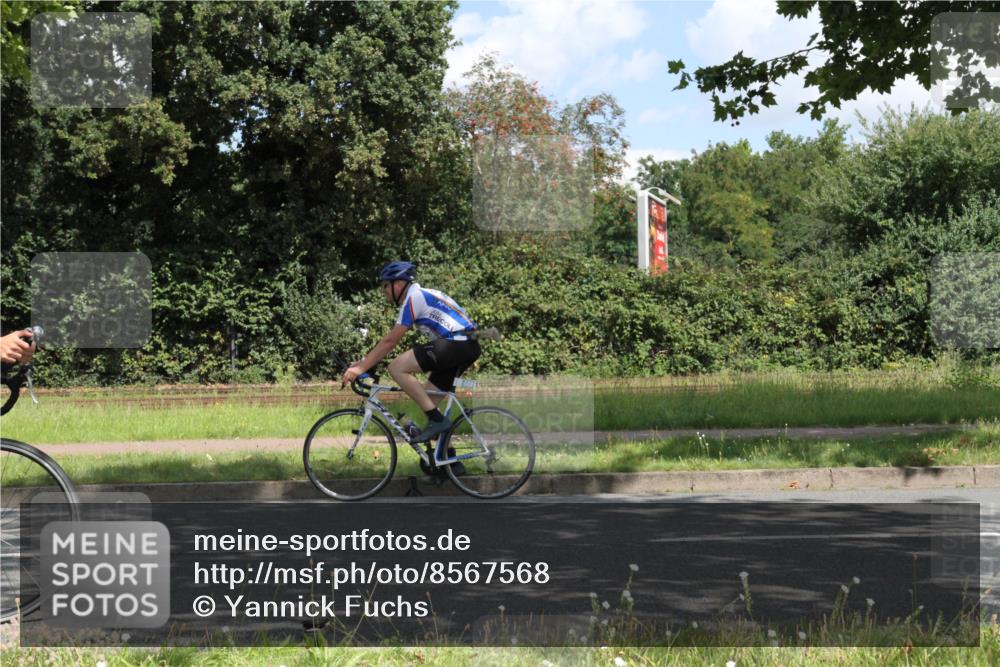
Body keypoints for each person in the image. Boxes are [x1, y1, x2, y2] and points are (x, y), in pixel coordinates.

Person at [341, 261, 481, 463]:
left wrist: (362, 367)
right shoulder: (418, 295)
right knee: (429, 403)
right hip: (463, 345)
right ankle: (450, 463)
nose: (383, 291)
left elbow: (390, 341)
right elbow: (388, 344)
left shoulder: (414, 298)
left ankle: (437, 422)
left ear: (399, 284)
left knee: (397, 368)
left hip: (458, 343)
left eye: (385, 285)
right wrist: (365, 363)